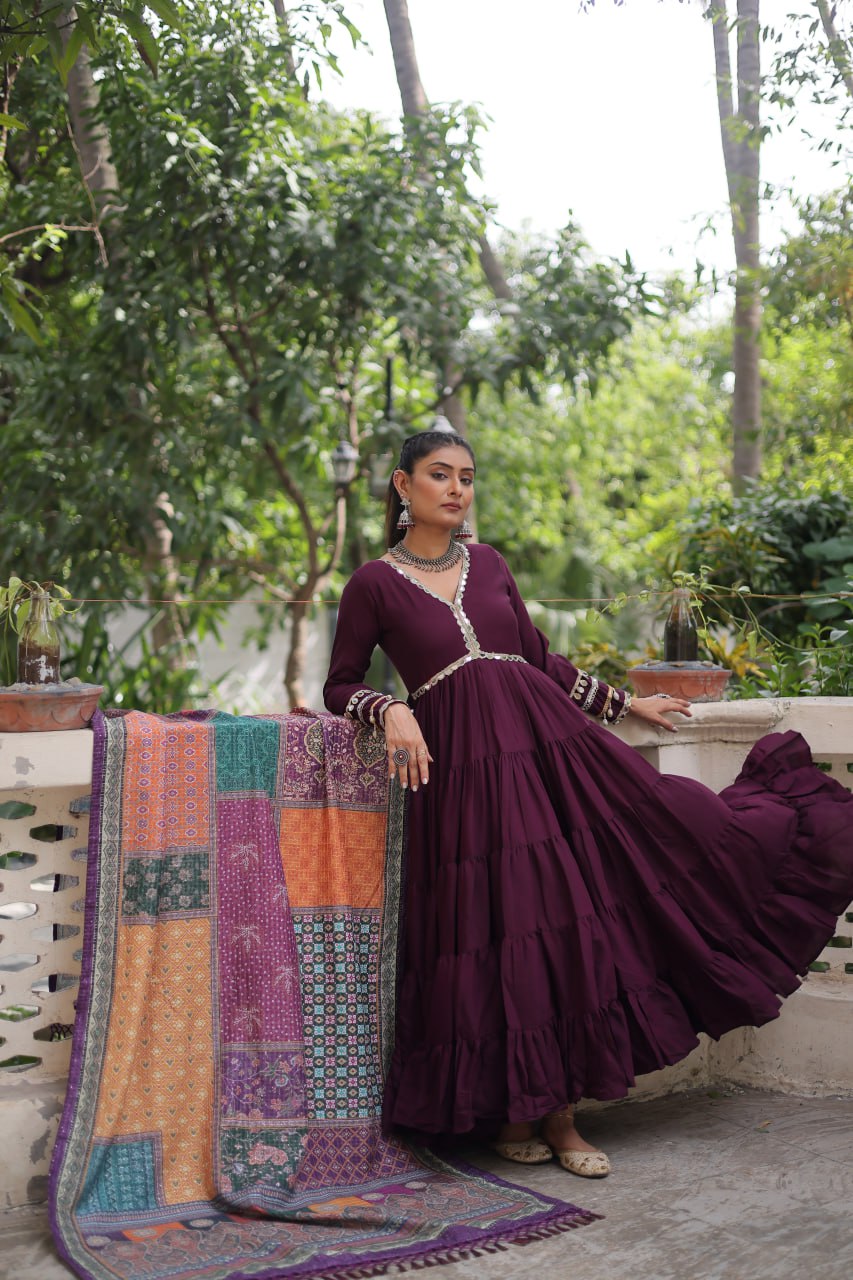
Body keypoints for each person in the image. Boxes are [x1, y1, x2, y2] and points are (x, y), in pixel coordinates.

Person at [323, 429, 853, 1179]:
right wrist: (390, 709)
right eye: (439, 475)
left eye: (467, 477)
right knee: (496, 933)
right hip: (464, 782)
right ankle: (511, 1110)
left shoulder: (492, 564)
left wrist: (626, 704)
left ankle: (562, 1116)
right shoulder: (372, 583)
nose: (456, 489)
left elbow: (539, 662)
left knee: (563, 921)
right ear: (402, 488)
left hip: (548, 760)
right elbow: (339, 683)